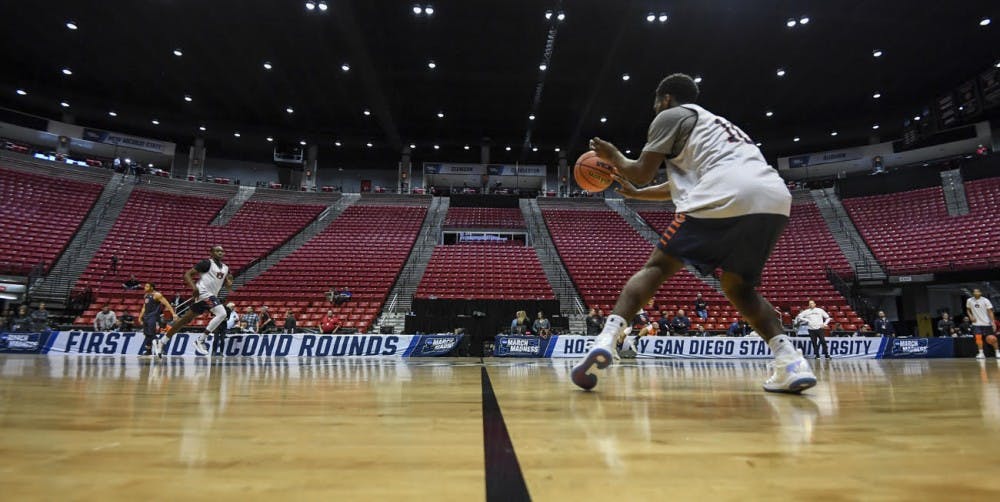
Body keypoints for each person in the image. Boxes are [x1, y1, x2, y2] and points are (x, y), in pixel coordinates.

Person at [572, 73, 816, 393]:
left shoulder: (671, 116)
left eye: (655, 102)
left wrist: (613, 156)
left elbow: (642, 173)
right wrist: (636, 195)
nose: (654, 108)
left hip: (725, 191)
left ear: (666, 99)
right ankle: (791, 361)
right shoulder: (715, 125)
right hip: (773, 198)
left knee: (657, 267)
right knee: (738, 287)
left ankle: (607, 337)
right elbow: (671, 186)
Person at [153, 245, 232, 357]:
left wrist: (228, 284)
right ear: (211, 252)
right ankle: (200, 340)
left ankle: (162, 342)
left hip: (209, 296)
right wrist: (194, 287)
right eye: (217, 251)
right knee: (222, 313)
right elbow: (187, 274)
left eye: (222, 251)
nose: (220, 253)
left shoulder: (225, 268)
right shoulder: (206, 263)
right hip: (203, 293)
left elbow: (227, 285)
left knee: (183, 321)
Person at [137, 282, 176, 356]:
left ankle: (160, 346)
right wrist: (140, 317)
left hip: (153, 317)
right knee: (147, 334)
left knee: (151, 333)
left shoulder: (157, 295)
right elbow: (144, 307)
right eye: (145, 286)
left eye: (147, 286)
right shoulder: (146, 295)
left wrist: (173, 313)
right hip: (146, 317)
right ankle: (148, 351)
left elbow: (166, 304)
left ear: (152, 287)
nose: (145, 287)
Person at [966, 289, 997, 359]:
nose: (976, 293)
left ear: (980, 293)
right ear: (973, 293)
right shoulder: (969, 300)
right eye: (975, 292)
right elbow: (968, 309)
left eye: (978, 291)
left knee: (993, 339)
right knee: (978, 339)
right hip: (976, 324)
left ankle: (997, 352)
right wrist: (971, 316)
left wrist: (993, 322)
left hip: (987, 323)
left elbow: (990, 312)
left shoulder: (985, 300)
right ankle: (981, 353)